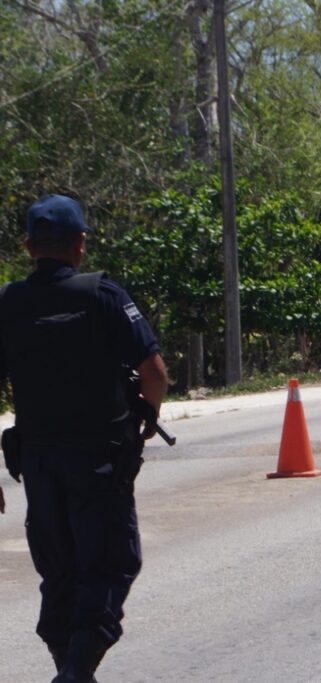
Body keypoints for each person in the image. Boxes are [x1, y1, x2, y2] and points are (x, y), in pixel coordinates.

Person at [0, 194, 169, 682]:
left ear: (29, 246)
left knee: (60, 572)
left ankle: (72, 669)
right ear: (80, 244)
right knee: (111, 565)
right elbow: (154, 373)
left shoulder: (7, 304)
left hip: (38, 462)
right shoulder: (104, 296)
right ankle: (74, 673)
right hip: (99, 459)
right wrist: (147, 417)